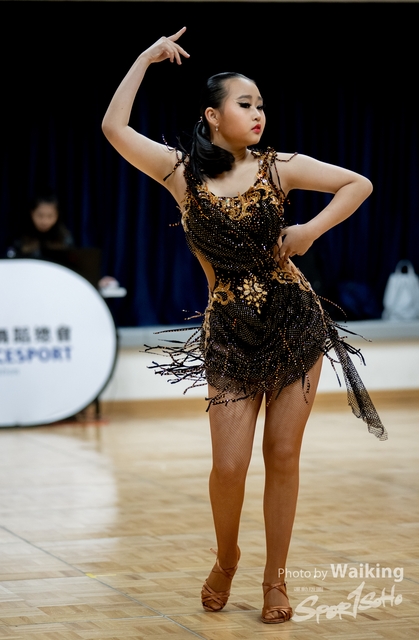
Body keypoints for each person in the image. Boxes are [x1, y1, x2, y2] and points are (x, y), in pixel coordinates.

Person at [102, 27, 387, 624]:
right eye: (245, 103)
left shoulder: (279, 168)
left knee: (282, 453)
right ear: (212, 115)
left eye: (261, 104)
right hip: (229, 332)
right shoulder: (180, 173)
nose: (259, 113)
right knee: (229, 467)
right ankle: (227, 556)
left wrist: (309, 231)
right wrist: (145, 59)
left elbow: (357, 184)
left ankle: (275, 579)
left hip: (295, 322)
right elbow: (114, 128)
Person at [8, 194, 74, 259]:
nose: (45, 221)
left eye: (50, 216)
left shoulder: (65, 239)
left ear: (57, 215)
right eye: (40, 215)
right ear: (32, 213)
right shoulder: (20, 237)